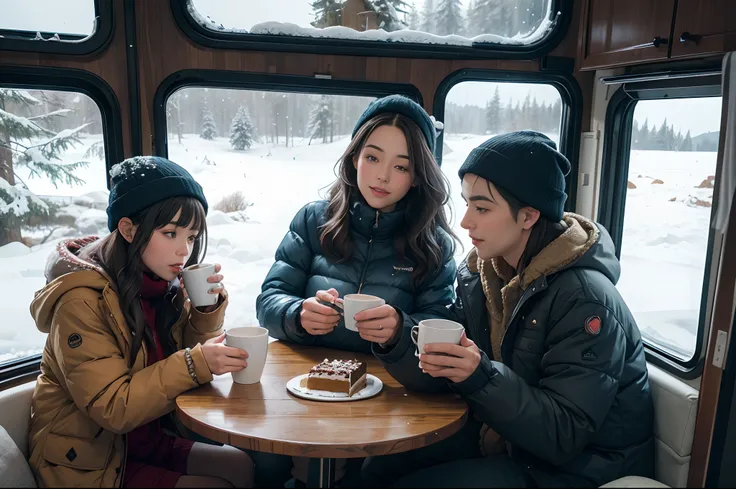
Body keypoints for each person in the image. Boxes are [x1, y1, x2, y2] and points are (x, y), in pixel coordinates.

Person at [363, 131, 655, 488]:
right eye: (467, 203)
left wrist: (480, 376)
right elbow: (441, 368)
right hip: (509, 438)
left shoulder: (585, 300)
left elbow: (563, 434)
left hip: (579, 468)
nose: (466, 221)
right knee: (379, 466)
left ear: (528, 216)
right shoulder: (483, 276)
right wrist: (398, 334)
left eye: (482, 208)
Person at [256, 95, 458, 485]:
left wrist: (401, 331)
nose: (382, 176)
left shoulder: (432, 244)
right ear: (353, 158)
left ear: (417, 177)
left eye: (401, 166)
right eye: (372, 158)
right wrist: (298, 314)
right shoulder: (315, 219)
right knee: (265, 464)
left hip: (388, 399)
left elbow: (440, 328)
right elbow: (269, 299)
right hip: (301, 387)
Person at [28, 156, 254, 488]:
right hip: (89, 462)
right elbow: (112, 408)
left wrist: (205, 312)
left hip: (144, 441)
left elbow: (184, 360)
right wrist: (195, 364)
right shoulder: (81, 301)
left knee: (240, 466)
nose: (184, 252)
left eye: (191, 237)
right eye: (170, 233)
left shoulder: (157, 283)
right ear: (129, 230)